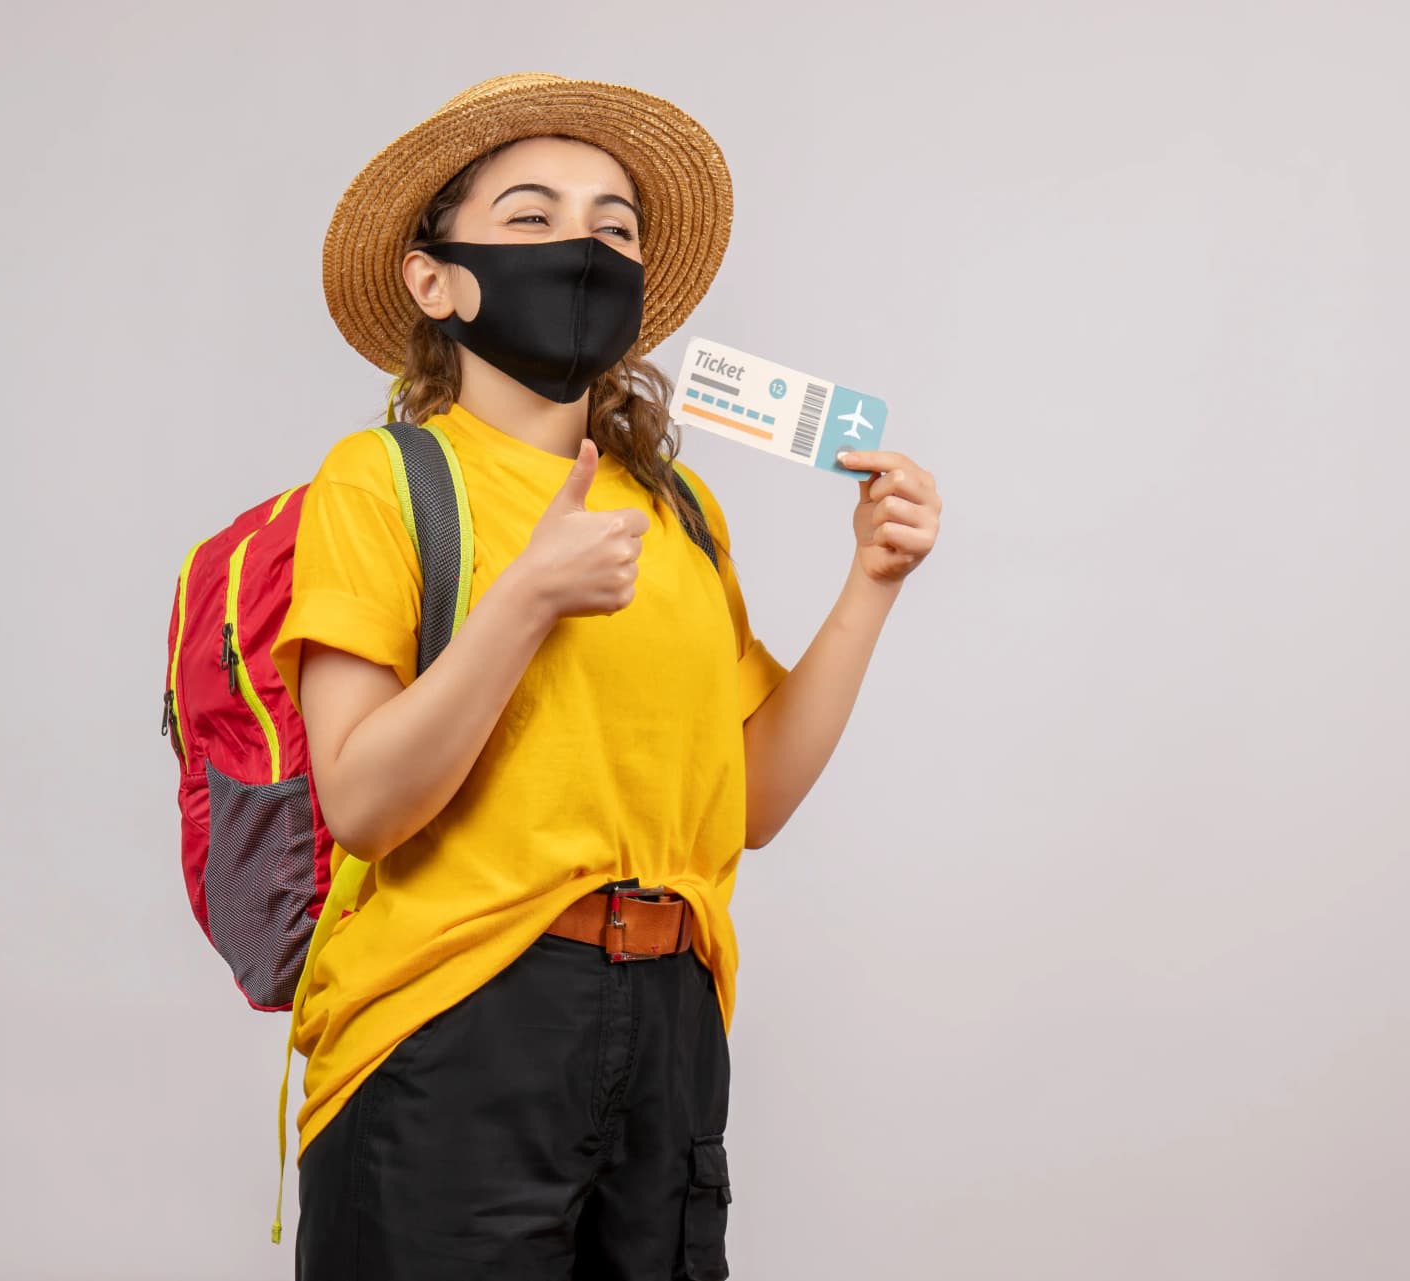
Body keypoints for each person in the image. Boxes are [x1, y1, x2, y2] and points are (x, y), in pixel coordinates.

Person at [272, 73, 942, 1280]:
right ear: (436, 279)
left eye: (613, 225)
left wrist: (871, 585)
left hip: (674, 1029)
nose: (581, 244)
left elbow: (749, 803)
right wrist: (527, 596)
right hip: (454, 1020)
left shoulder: (678, 511)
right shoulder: (384, 480)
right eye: (530, 217)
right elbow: (364, 802)